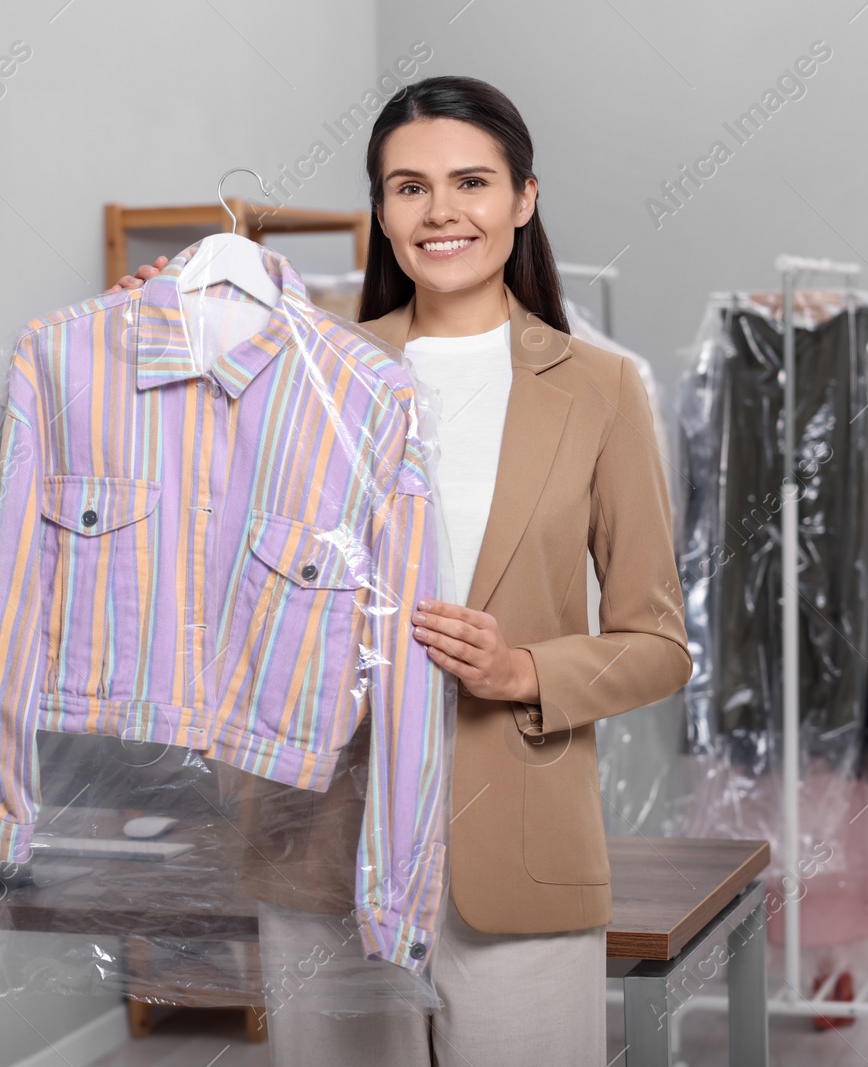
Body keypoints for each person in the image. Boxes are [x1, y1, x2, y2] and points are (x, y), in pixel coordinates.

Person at [108, 74, 690, 1067]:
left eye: (470, 181)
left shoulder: (601, 388)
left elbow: (658, 645)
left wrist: (525, 672)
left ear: (523, 198)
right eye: (408, 187)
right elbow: (202, 549)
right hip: (322, 840)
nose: (441, 211)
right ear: (382, 211)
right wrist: (149, 361)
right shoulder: (310, 371)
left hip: (519, 857)